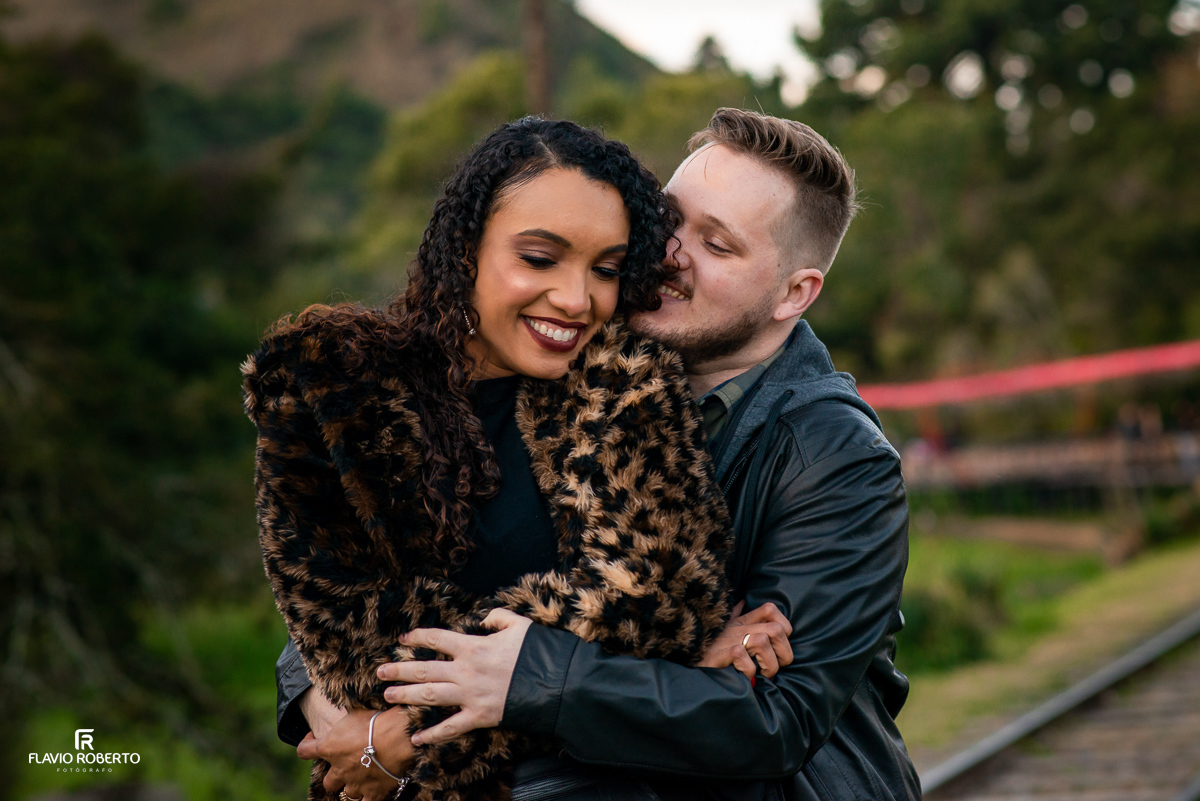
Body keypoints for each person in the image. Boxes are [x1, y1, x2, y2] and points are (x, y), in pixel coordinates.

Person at [278, 109, 921, 799]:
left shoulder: (836, 458)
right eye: (671, 218)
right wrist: (319, 696)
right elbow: (365, 563)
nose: (672, 252)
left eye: (718, 244)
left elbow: (774, 717)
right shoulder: (567, 357)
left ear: (794, 293)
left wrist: (529, 678)